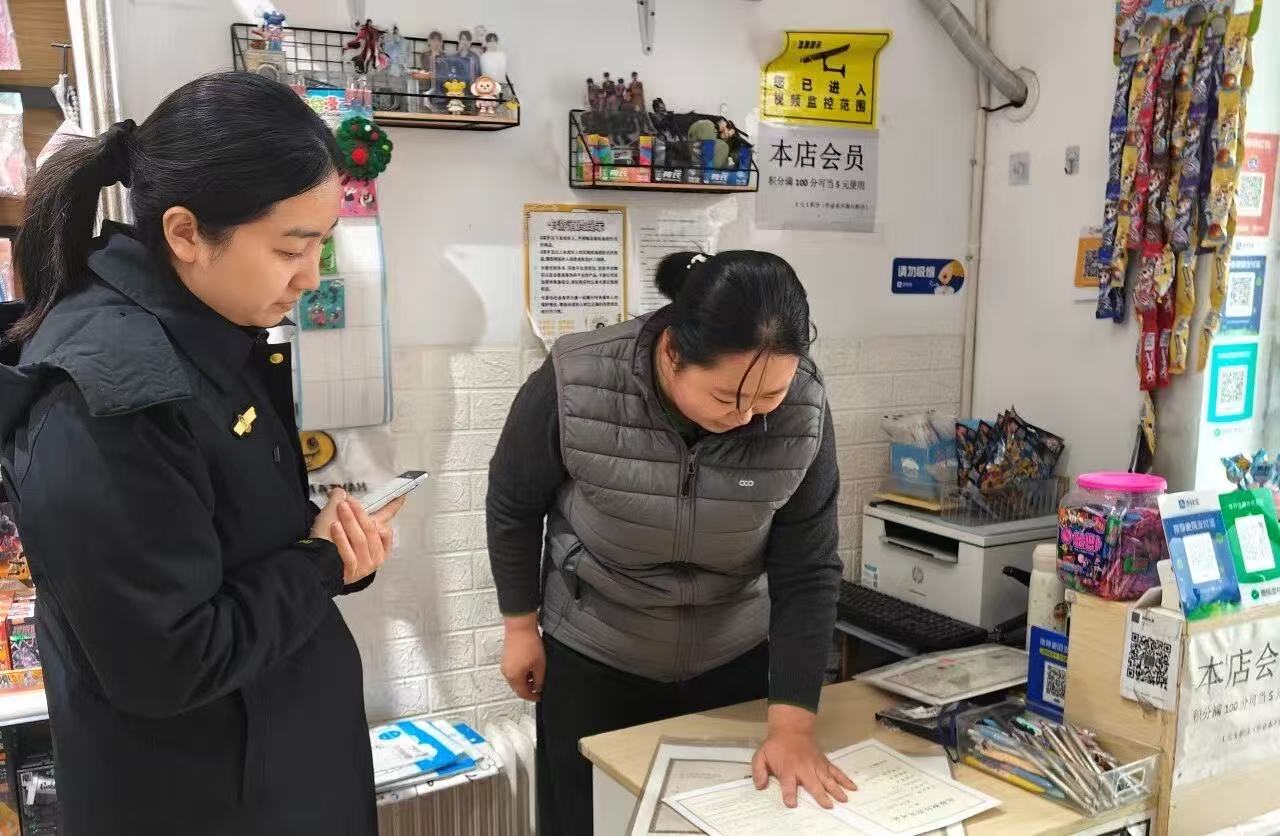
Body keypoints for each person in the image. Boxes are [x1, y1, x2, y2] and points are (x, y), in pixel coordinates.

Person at [0, 73, 404, 835]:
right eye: (291, 247)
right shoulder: (108, 398)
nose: (311, 276)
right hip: (204, 801)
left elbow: (221, 533)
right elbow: (169, 659)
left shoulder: (206, 329)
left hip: (276, 772)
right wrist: (318, 565)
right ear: (185, 233)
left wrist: (332, 548)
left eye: (322, 243)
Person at [487, 250, 853, 834]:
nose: (746, 416)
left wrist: (792, 727)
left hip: (732, 660)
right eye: (726, 397)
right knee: (588, 821)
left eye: (768, 398)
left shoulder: (803, 406)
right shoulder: (576, 379)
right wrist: (519, 628)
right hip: (596, 654)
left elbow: (807, 566)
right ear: (672, 352)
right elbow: (513, 502)